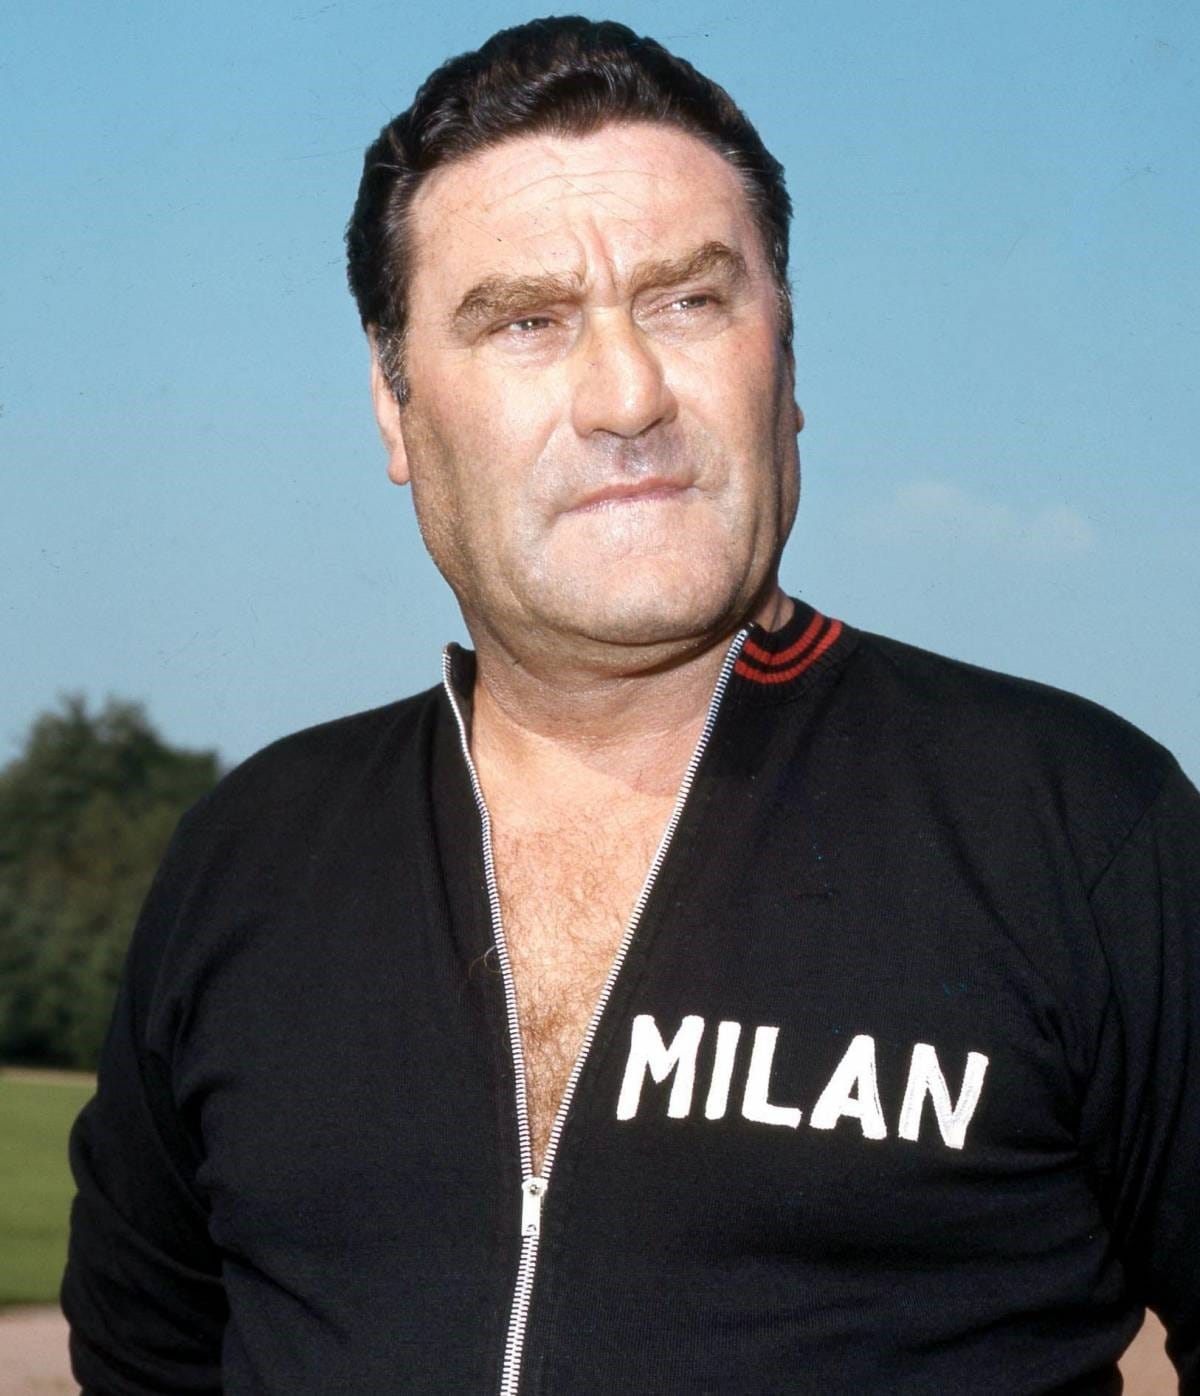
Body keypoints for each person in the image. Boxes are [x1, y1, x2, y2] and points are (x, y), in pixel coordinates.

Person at [62, 16, 1200, 1394]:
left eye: (687, 301)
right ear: (396, 408)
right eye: (526, 322)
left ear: (787, 362)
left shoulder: (1080, 829)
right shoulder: (251, 858)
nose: (626, 395)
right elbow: (144, 1359)